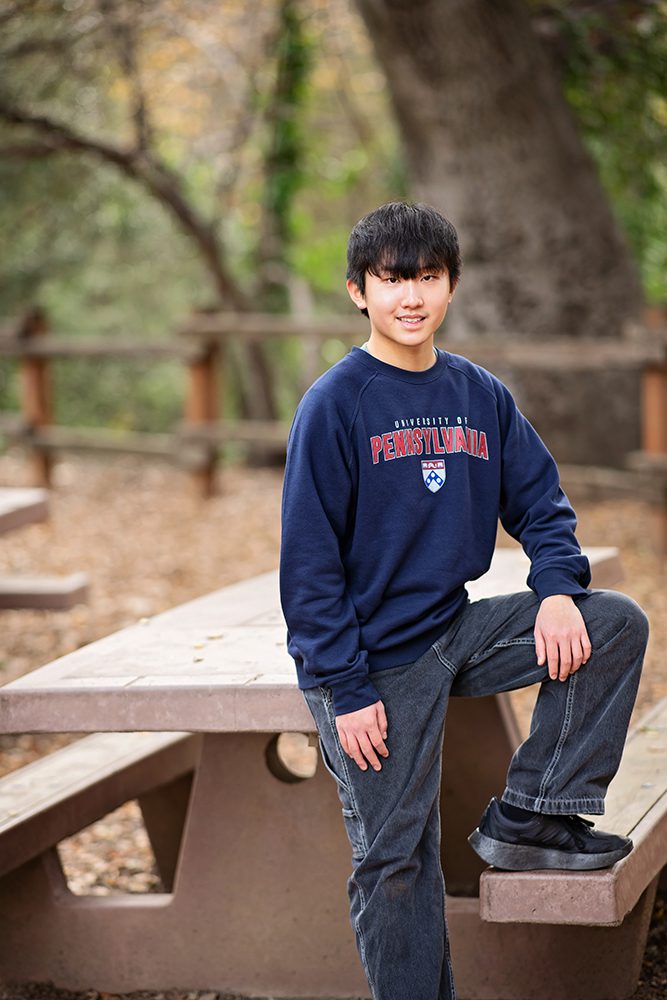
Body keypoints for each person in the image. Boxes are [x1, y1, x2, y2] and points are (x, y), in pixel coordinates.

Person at [279, 201, 649, 1000]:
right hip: (368, 664)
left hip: (452, 628)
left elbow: (543, 510)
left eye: (427, 277)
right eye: (390, 280)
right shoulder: (335, 404)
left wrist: (554, 591)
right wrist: (345, 691)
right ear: (357, 292)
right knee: (396, 857)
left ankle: (533, 814)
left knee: (611, 622)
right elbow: (307, 570)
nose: (409, 296)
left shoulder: (478, 395)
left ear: (450, 287)